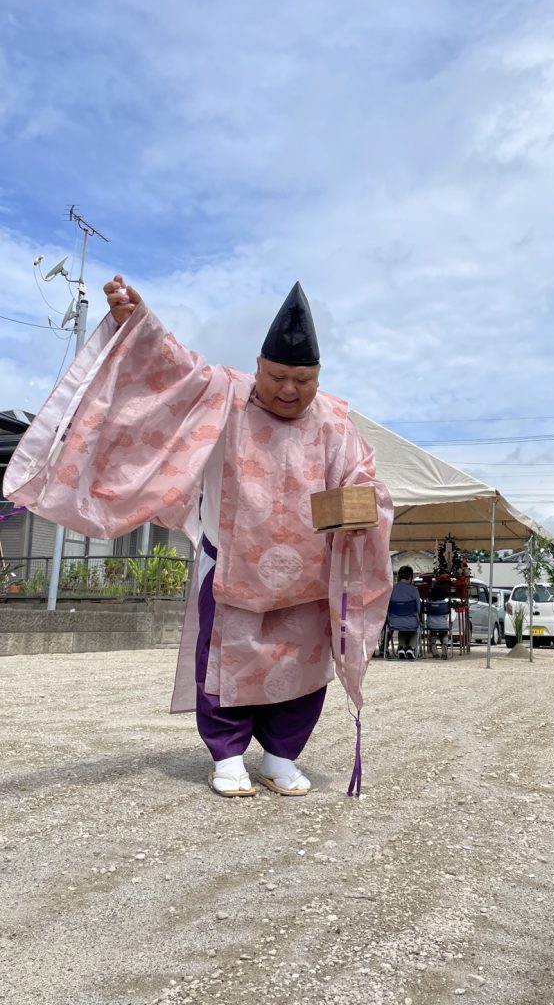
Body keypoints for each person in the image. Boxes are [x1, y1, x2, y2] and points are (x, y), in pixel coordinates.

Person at [3, 276, 393, 798]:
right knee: (224, 660)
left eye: (304, 380)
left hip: (309, 571)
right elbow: (172, 371)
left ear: (318, 377)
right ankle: (229, 755)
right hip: (233, 559)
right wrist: (136, 325)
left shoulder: (336, 423)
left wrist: (364, 500)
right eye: (278, 376)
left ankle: (281, 757)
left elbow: (362, 476)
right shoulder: (225, 395)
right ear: (259, 368)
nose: (289, 390)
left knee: (301, 666)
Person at [387, 565, 421, 660]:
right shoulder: (414, 590)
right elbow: (418, 608)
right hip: (411, 621)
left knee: (402, 628)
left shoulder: (391, 589)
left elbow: (387, 607)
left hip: (394, 621)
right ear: (410, 577)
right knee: (414, 628)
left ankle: (401, 648)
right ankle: (411, 648)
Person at [425, 581, 452, 659]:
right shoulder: (444, 604)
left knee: (433, 631)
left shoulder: (429, 603)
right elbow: (446, 616)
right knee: (444, 632)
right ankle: (445, 645)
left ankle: (433, 645)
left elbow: (428, 614)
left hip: (431, 624)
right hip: (442, 624)